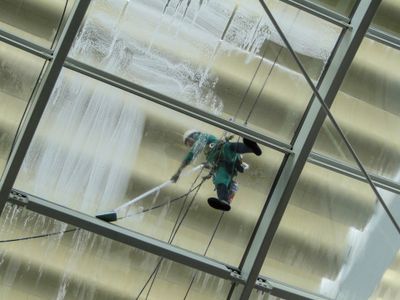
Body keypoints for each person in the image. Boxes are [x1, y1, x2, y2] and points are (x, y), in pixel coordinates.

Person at [171, 129, 262, 211]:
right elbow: (210, 160)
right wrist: (209, 166)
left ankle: (251, 148)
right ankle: (224, 200)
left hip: (223, 152)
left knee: (228, 147)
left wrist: (178, 172)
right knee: (219, 179)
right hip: (223, 164)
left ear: (193, 136)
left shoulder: (202, 137)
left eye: (188, 142)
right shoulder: (207, 150)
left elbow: (191, 155)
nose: (189, 145)